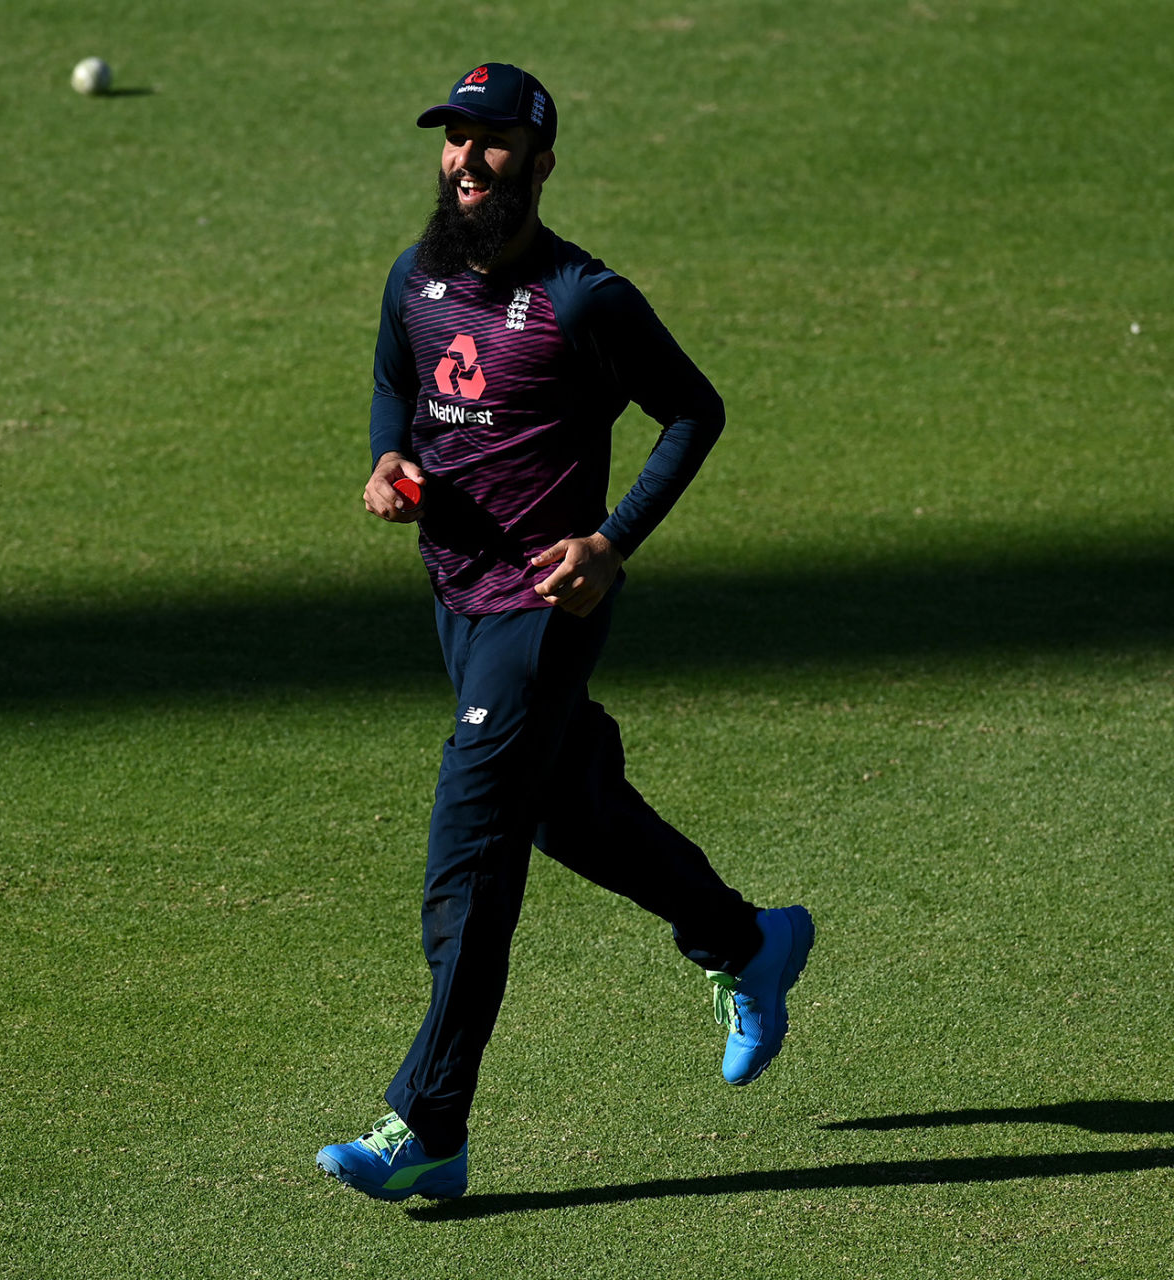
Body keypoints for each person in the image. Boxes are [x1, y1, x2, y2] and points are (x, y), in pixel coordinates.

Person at [317, 62, 814, 1203]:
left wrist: (611, 539)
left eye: (491, 142)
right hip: (453, 593)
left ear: (540, 159)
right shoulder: (417, 276)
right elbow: (396, 383)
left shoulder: (585, 298)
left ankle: (429, 1123)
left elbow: (694, 409)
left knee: (470, 860)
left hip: (542, 609)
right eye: (453, 138)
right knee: (569, 814)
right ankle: (744, 940)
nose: (466, 159)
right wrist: (389, 462)